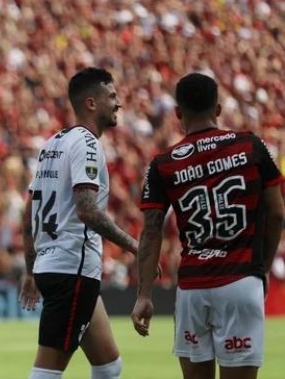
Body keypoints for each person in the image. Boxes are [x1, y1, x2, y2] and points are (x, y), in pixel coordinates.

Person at [132, 73, 285, 379]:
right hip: (241, 281)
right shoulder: (250, 146)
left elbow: (151, 231)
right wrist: (264, 268)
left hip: (192, 289)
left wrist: (144, 294)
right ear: (218, 108)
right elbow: (277, 213)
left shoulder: (163, 164)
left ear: (178, 113)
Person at [20, 67, 139, 379]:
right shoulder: (87, 144)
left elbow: (27, 211)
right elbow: (87, 211)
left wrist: (30, 269)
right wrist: (135, 247)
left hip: (53, 266)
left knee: (109, 365)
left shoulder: (52, 144)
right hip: (72, 268)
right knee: (47, 371)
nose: (118, 103)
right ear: (91, 103)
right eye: (112, 96)